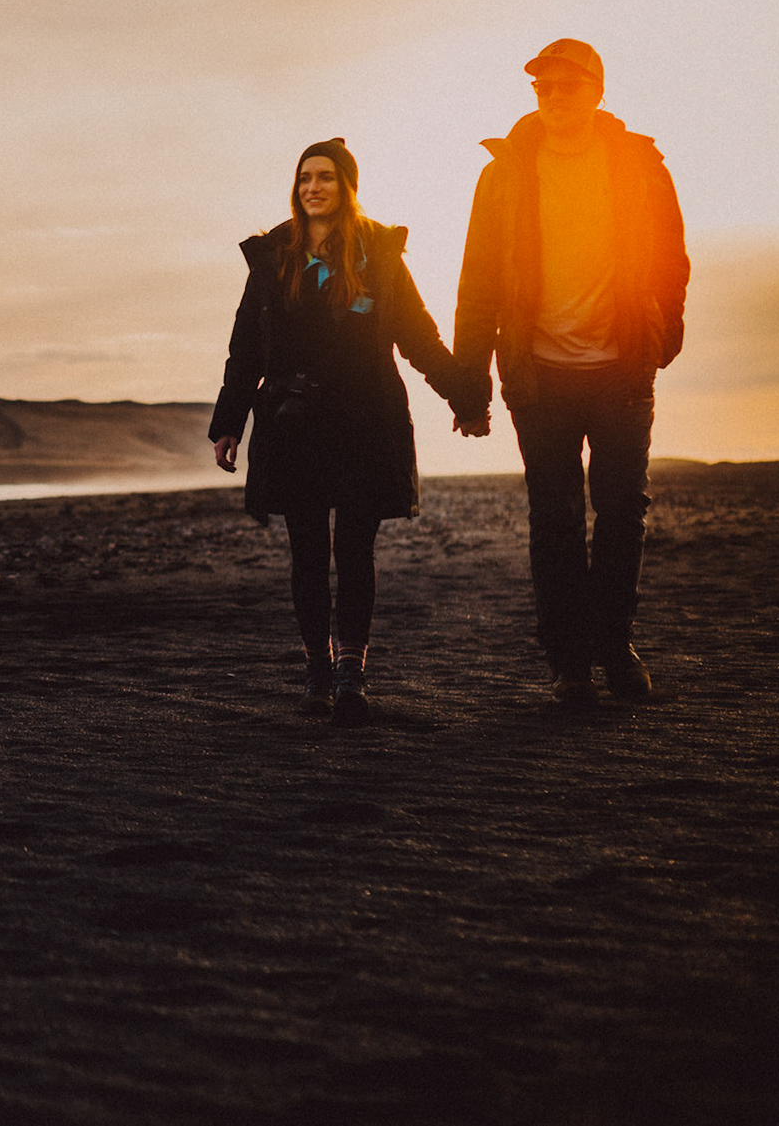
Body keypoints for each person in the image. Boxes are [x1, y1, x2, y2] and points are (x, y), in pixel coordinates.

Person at [210, 139, 485, 726]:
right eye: (305, 177)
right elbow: (244, 350)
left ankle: (351, 671)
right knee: (307, 552)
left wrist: (465, 398)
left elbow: (418, 337)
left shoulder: (378, 256)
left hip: (365, 420)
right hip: (293, 423)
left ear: (347, 186)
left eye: (326, 178)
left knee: (356, 550)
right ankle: (316, 669)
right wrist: (228, 423)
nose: (313, 187)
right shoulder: (272, 258)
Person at [452, 39, 690, 706]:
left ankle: (615, 644)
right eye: (543, 88)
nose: (554, 98)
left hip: (621, 369)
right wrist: (470, 386)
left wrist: (661, 335)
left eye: (568, 86)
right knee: (553, 516)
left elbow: (670, 256)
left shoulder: (640, 165)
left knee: (622, 511)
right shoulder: (503, 174)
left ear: (596, 91)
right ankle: (569, 663)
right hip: (539, 375)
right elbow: (478, 284)